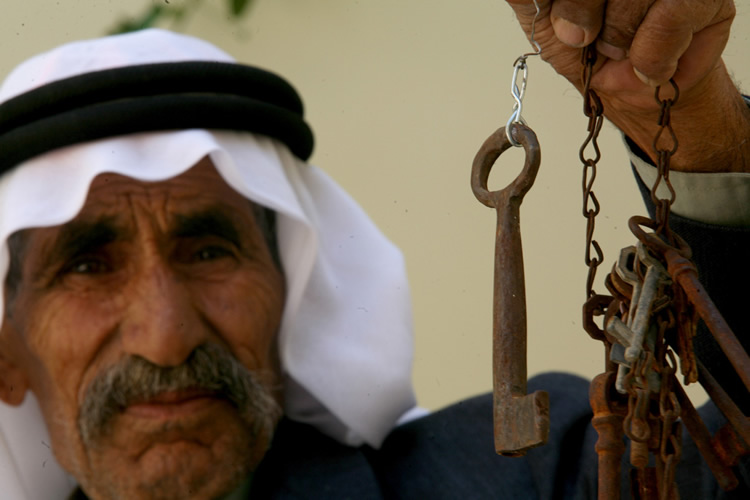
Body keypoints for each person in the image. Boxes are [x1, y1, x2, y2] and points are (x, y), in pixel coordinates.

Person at [0, 1, 748, 499]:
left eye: (207, 253)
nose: (165, 336)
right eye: (88, 267)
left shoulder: (535, 476)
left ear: (291, 292)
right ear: (7, 352)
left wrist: (692, 124)